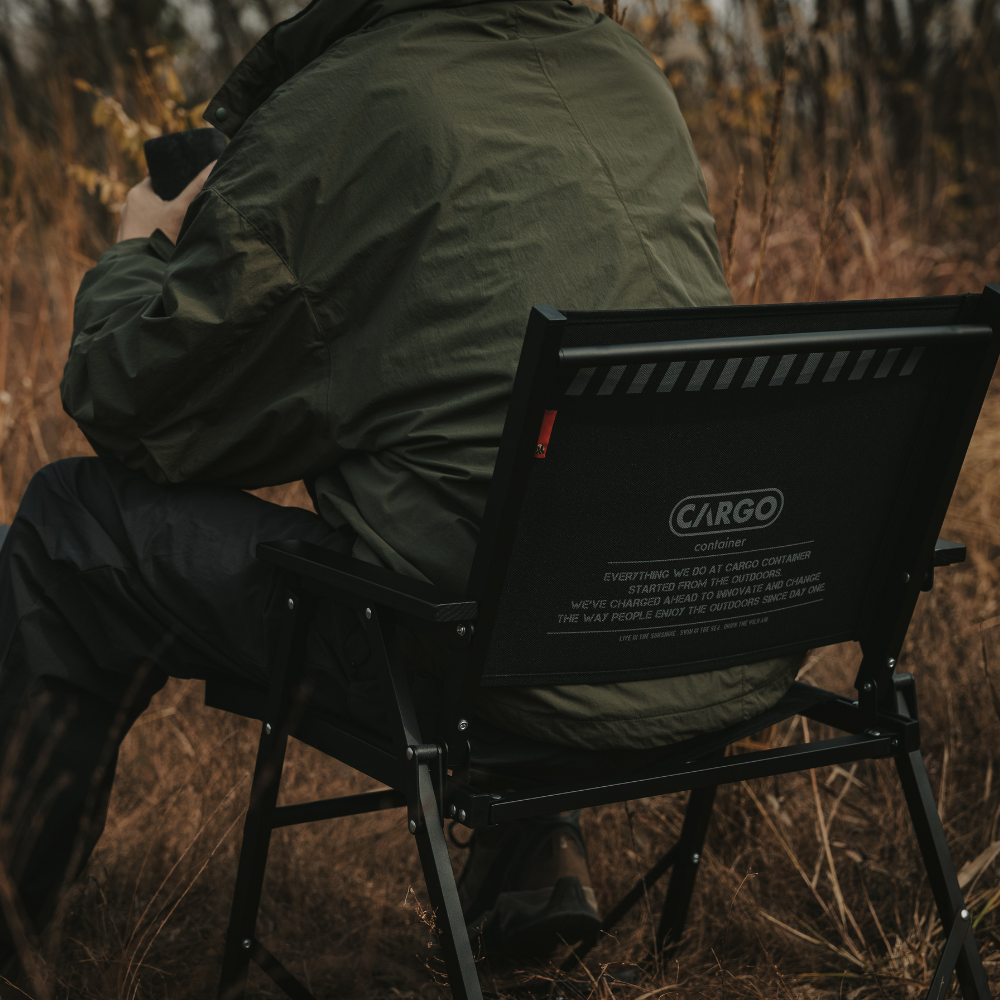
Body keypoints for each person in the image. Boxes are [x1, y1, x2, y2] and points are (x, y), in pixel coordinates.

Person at [0, 0, 802, 967]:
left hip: (498, 669)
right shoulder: (628, 75)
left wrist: (142, 247)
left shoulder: (347, 105)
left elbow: (137, 404)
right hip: (724, 619)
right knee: (471, 490)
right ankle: (530, 846)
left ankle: (11, 923)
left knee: (71, 526)